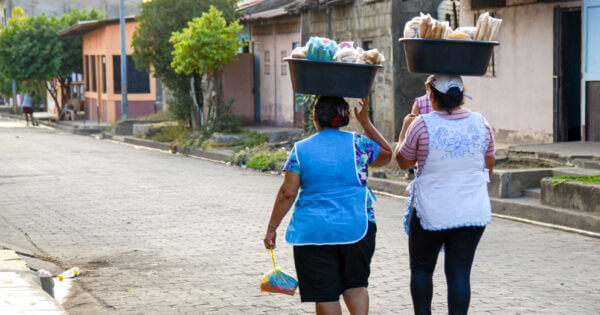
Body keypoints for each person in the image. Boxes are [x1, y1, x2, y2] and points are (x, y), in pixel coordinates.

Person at [264, 97, 392, 315]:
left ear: (314, 118)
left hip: (314, 232)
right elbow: (386, 155)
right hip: (358, 226)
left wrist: (272, 227)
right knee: (355, 284)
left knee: (325, 293)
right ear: (346, 117)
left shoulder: (300, 149)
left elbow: (288, 192)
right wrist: (366, 123)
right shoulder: (359, 143)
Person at [394, 75, 496, 315]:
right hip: (472, 212)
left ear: (431, 95)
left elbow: (403, 162)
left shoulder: (421, 124)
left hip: (432, 210)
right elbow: (488, 165)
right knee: (459, 273)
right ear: (461, 95)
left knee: (421, 270)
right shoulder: (481, 123)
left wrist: (403, 132)